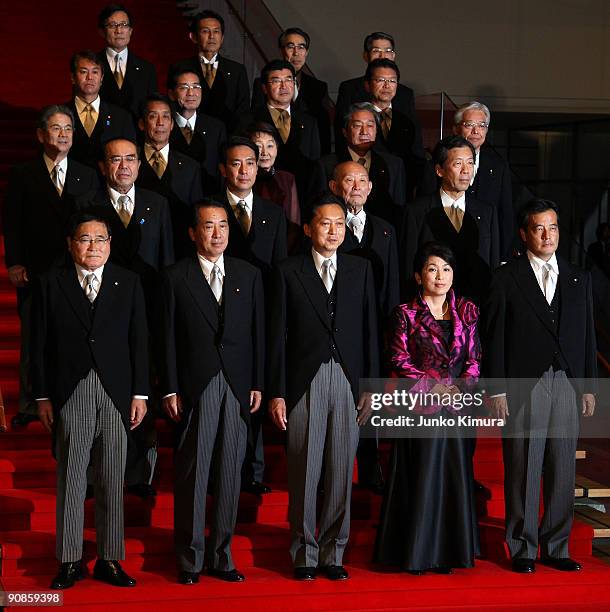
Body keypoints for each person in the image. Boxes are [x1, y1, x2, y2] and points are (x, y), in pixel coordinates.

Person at [30, 212, 149, 589]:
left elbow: (140, 342)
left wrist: (141, 393)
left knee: (113, 477)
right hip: (71, 390)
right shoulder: (52, 284)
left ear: (111, 244)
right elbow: (37, 346)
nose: (94, 246)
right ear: (71, 244)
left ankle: (110, 559)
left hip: (116, 391)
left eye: (101, 238)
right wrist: (43, 396)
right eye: (85, 239)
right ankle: (69, 559)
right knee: (72, 476)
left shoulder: (128, 282)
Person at [483, 198, 597, 574]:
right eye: (539, 228)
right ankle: (522, 547)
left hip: (565, 380)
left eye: (554, 227)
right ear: (524, 233)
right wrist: (497, 389)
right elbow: (494, 337)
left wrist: (588, 387)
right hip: (523, 382)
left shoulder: (579, 276)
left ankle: (557, 547)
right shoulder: (505, 277)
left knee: (562, 467)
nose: (548, 235)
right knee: (523, 466)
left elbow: (588, 338)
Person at [268, 193, 379, 581]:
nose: (333, 230)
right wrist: (278, 391)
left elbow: (370, 333)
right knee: (305, 468)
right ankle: (303, 553)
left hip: (348, 379)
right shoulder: (287, 270)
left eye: (339, 224)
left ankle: (334, 553)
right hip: (303, 380)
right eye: (325, 223)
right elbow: (277, 336)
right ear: (309, 228)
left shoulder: (361, 270)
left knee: (339, 470)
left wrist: (369, 385)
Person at [160, 201, 265, 585]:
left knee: (229, 474)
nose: (217, 233)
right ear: (193, 233)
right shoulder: (175, 276)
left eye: (223, 225)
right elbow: (167, 337)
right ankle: (189, 559)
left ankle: (222, 557)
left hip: (238, 384)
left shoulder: (249, 274)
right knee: (194, 472)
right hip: (195, 383)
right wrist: (170, 387)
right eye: (209, 226)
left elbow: (258, 334)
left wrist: (257, 382)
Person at [75, 137, 175, 498]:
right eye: (115, 160)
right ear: (103, 166)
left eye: (130, 159)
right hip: (99, 317)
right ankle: (90, 474)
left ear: (139, 163)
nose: (124, 166)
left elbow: (166, 262)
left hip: (145, 313)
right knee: (93, 395)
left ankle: (137, 474)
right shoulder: (88, 203)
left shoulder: (158, 204)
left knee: (141, 393)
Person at [373, 242, 480, 574]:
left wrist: (460, 389)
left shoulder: (467, 310)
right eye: (433, 269)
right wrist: (434, 388)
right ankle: (419, 554)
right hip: (421, 407)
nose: (440, 276)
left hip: (458, 408)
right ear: (419, 275)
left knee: (452, 478)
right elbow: (398, 359)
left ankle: (448, 553)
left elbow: (474, 359)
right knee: (423, 478)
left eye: (446, 269)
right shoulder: (405, 313)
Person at [4, 105, 99, 428]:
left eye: (69, 129)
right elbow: (12, 222)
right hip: (36, 270)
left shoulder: (86, 174)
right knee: (34, 336)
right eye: (56, 129)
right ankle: (30, 403)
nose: (63, 134)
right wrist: (15, 262)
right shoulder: (23, 173)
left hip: (75, 271)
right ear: (41, 134)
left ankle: (67, 394)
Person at [215, 136, 287, 495]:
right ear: (224, 169)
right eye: (236, 163)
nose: (244, 170)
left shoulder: (273, 212)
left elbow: (277, 269)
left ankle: (253, 471)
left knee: (255, 391)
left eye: (250, 163)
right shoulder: (212, 212)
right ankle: (221, 472)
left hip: (259, 311)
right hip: (218, 311)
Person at [331, 160, 400, 493]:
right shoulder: (328, 227)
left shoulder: (385, 230)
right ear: (335, 186)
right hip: (337, 329)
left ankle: (370, 470)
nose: (356, 186)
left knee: (369, 397)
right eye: (348, 180)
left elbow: (391, 288)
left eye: (362, 180)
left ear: (371, 187)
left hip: (374, 330)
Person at [400, 135, 499, 302]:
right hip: (431, 310)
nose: (466, 171)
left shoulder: (487, 211)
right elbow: (408, 264)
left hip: (475, 308)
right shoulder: (416, 211)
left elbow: (493, 263)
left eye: (470, 163)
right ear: (439, 170)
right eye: (458, 164)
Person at [310, 103, 406, 227]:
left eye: (370, 126)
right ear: (345, 132)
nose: (364, 132)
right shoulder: (326, 165)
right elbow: (317, 209)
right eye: (357, 126)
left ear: (377, 130)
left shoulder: (394, 164)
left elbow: (399, 209)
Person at [334, 32, 424, 160]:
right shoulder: (349, 88)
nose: (383, 55)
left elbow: (414, 140)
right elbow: (341, 132)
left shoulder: (405, 93)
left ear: (393, 55)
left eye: (387, 51)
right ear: (366, 55)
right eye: (377, 50)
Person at [242, 59, 320, 203]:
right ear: (264, 88)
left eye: (289, 80)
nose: (284, 86)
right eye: (276, 81)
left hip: (301, 198)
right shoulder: (248, 120)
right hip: (261, 196)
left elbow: (315, 166)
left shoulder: (309, 122)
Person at [135, 94, 204, 258]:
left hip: (179, 249)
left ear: (172, 124)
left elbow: (196, 216)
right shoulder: (129, 162)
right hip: (140, 248)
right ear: (142, 124)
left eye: (166, 117)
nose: (160, 123)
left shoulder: (190, 167)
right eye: (153, 116)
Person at [251, 27, 331, 154]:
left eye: (301, 47)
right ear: (282, 50)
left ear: (307, 52)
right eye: (290, 47)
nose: (296, 53)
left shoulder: (319, 87)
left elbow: (323, 131)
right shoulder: (262, 83)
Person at [167, 10, 249, 132]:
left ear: (222, 37)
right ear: (193, 37)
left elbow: (243, 110)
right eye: (205, 31)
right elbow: (173, 105)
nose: (212, 36)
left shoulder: (237, 70)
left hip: (227, 136)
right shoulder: (179, 68)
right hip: (191, 134)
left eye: (216, 31)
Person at [453, 101, 515, 261]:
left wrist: (503, 257)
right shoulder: (441, 163)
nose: (476, 131)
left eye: (482, 125)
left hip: (486, 253)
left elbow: (505, 213)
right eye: (469, 125)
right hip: (448, 251)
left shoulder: (498, 165)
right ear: (456, 128)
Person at [364, 58, 433, 199]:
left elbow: (416, 155)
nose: (387, 86)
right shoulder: (357, 118)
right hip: (366, 191)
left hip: (401, 192)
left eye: (392, 81)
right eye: (380, 80)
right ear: (367, 85)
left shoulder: (407, 120)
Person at [66, 50, 135, 169]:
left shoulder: (122, 117)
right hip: (70, 182)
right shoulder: (60, 114)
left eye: (95, 72)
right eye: (83, 72)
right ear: (72, 77)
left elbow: (131, 155)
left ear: (102, 78)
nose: (90, 77)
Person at [168, 68, 226, 194]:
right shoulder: (163, 126)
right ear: (171, 94)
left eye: (196, 87)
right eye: (184, 87)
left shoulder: (216, 127)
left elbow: (221, 170)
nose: (191, 93)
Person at [246, 121, 301, 253]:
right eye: (258, 146)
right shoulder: (244, 178)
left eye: (270, 146)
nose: (264, 152)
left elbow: (295, 223)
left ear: (277, 148)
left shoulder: (287, 179)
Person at [97, 4, 157, 123]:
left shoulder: (147, 68)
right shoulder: (92, 65)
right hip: (101, 132)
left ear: (130, 31)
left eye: (124, 25)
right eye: (112, 25)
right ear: (102, 32)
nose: (118, 31)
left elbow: (152, 106)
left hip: (136, 134)